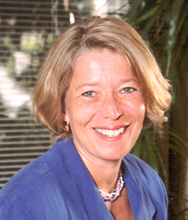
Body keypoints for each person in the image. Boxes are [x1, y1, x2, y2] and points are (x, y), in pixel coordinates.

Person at [0, 16, 171, 219]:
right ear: (62, 107)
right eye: (89, 93)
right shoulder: (24, 203)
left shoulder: (150, 183)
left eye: (127, 89)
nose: (113, 111)